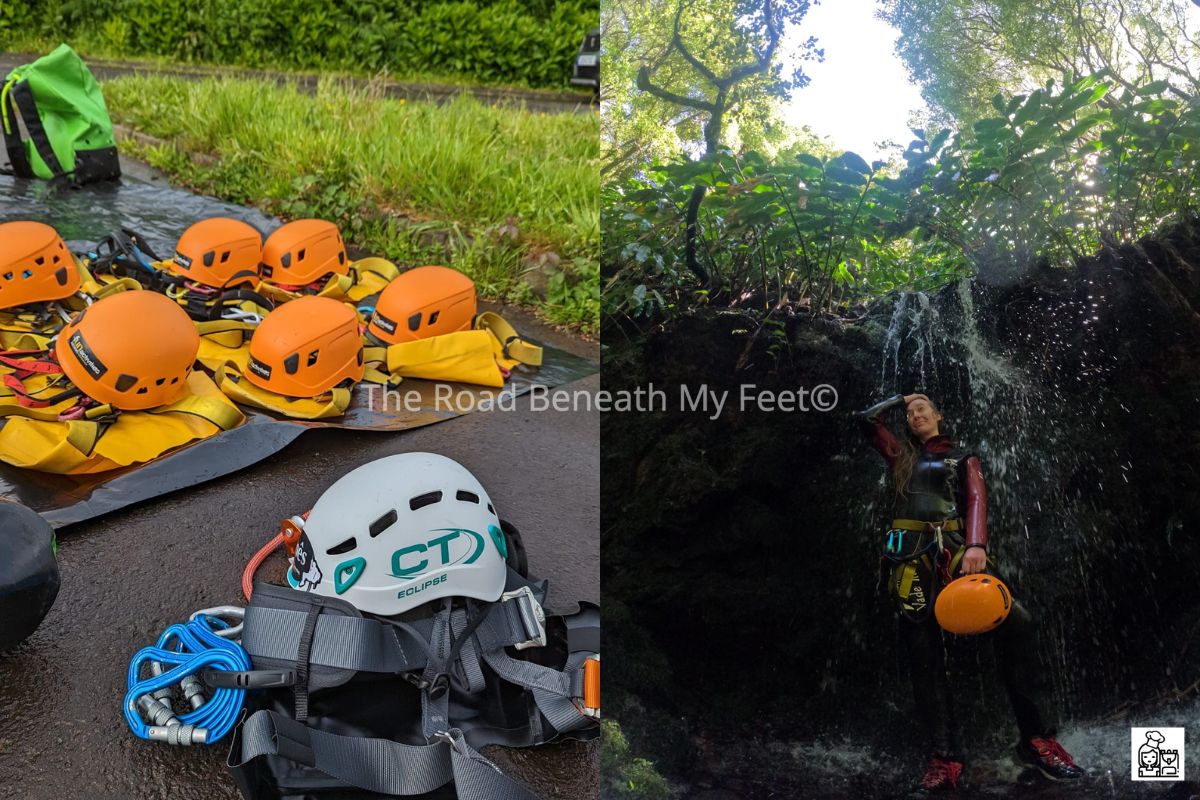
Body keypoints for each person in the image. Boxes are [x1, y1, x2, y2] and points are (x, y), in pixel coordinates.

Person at [856, 393, 1085, 792]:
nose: (915, 414)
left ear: (939, 415)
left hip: (959, 551)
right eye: (910, 413)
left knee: (1018, 623)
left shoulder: (963, 457)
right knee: (922, 651)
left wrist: (977, 545)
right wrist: (900, 398)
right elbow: (864, 419)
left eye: (923, 407)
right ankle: (946, 759)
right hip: (910, 562)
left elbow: (977, 498)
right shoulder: (899, 456)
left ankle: (1037, 739)